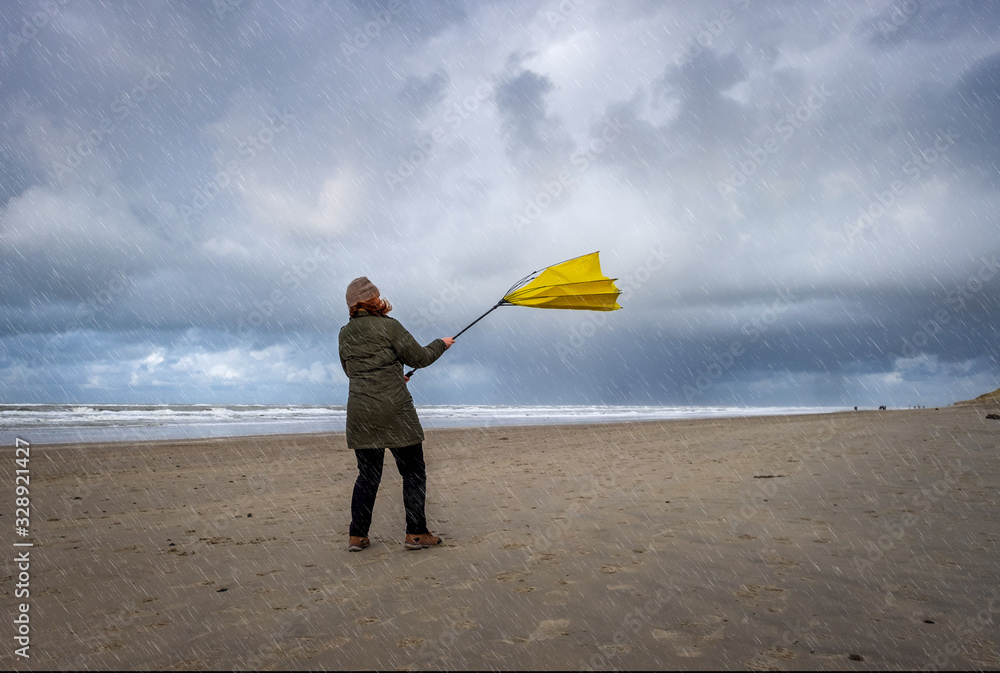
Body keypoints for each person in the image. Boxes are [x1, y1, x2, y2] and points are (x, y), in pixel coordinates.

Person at [339, 276, 455, 552]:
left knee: (367, 476)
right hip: (394, 411)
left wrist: (393, 376)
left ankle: (357, 536)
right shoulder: (389, 327)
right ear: (375, 299)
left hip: (361, 412)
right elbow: (420, 358)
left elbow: (352, 370)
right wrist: (441, 343)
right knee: (413, 472)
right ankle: (416, 533)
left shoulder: (345, 333)